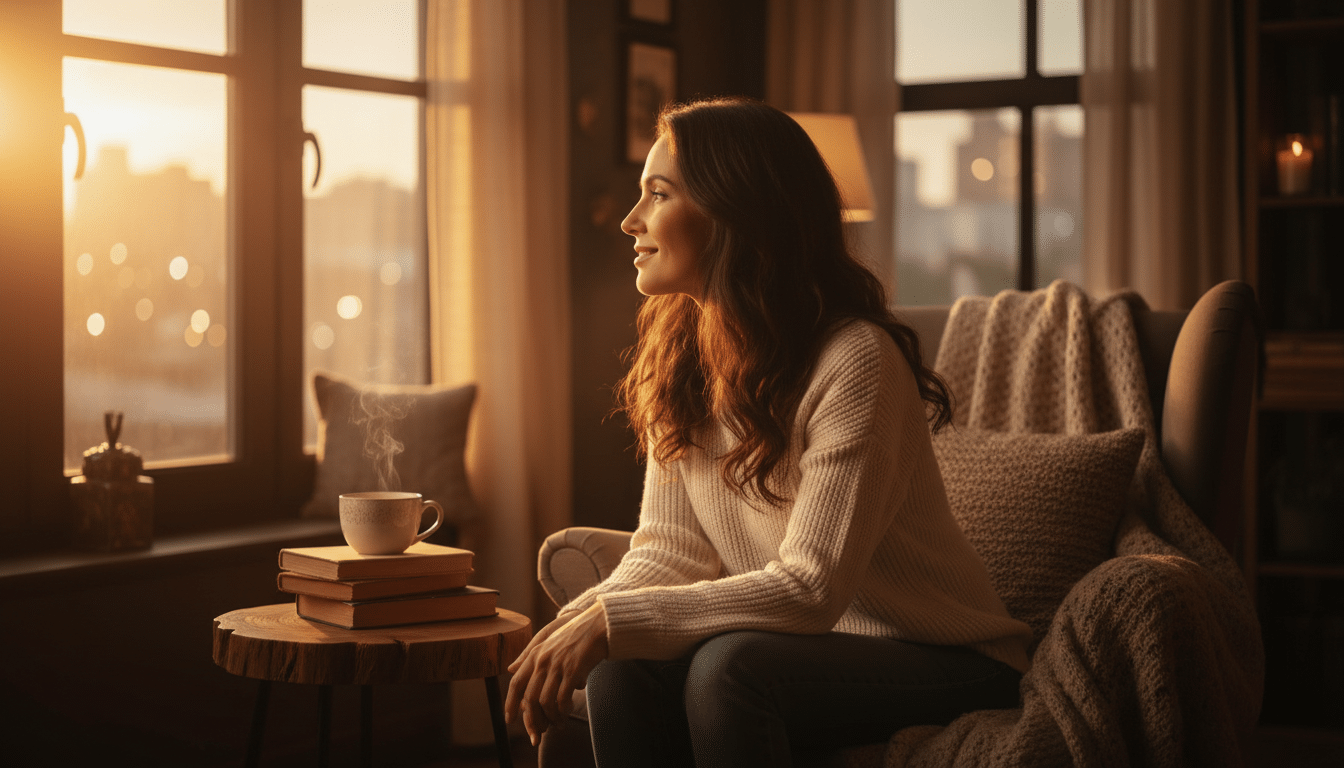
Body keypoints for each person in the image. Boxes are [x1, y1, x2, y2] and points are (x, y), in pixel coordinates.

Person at [504, 96, 1032, 767]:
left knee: (729, 669)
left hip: (946, 658)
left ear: (735, 211)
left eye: (658, 194)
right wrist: (579, 625)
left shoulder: (856, 359)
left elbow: (811, 588)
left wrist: (612, 621)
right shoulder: (681, 359)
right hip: (809, 650)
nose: (632, 220)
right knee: (621, 670)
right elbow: (670, 552)